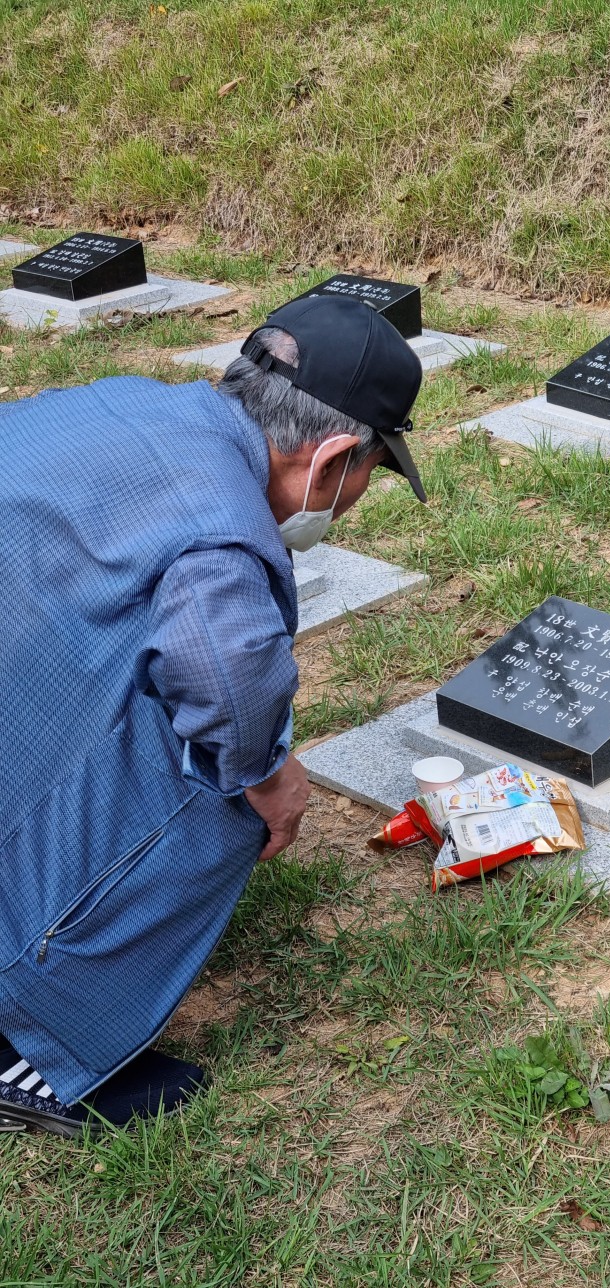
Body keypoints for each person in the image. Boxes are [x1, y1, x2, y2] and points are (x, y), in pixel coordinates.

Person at [0, 294, 424, 1137]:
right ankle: (35, 1043)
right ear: (336, 455)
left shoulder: (127, 396)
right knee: (225, 791)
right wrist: (272, 778)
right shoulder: (219, 531)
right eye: (373, 473)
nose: (358, 497)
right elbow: (231, 684)